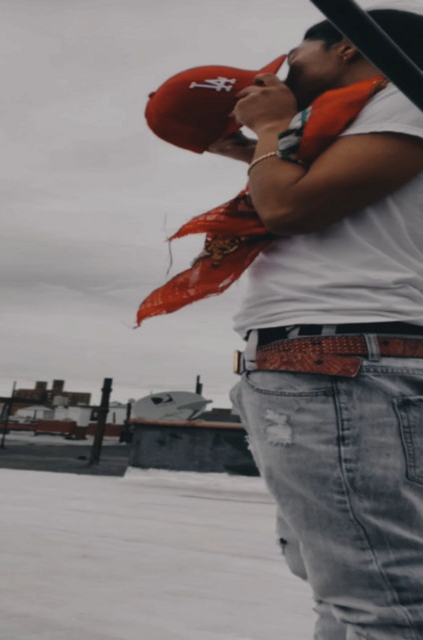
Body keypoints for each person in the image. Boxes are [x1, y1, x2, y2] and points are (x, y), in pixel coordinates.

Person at [212, 6, 423, 639]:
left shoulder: (405, 99)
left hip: (340, 360)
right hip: (341, 359)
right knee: (348, 587)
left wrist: (272, 126)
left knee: (381, 599)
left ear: (347, 48)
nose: (286, 69)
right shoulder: (375, 118)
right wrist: (252, 148)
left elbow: (289, 207)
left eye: (296, 54)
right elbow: (317, 195)